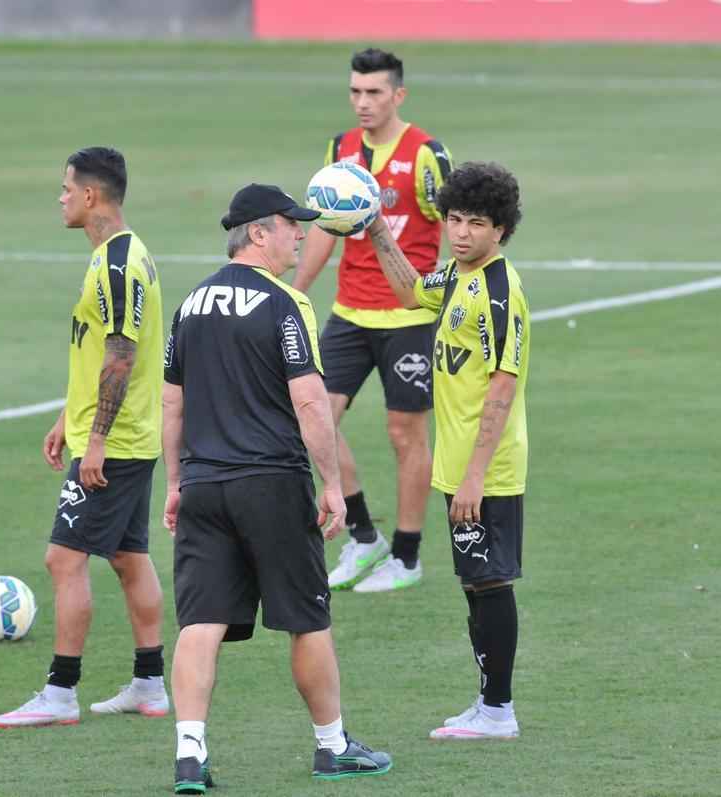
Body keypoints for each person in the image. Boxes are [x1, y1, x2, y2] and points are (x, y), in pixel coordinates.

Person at [162, 183, 393, 793]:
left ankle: (190, 755)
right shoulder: (285, 303)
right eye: (292, 225)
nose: (302, 235)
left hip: (205, 487)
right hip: (270, 481)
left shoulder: (190, 304)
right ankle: (332, 746)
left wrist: (177, 482)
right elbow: (311, 401)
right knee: (306, 620)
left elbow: (171, 402)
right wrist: (334, 484)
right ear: (258, 233)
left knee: (201, 622)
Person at [0, 147, 169, 728]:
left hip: (113, 445)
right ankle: (149, 684)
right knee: (127, 555)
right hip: (126, 436)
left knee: (64, 561)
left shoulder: (116, 264)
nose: (61, 197)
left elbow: (121, 355)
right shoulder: (123, 255)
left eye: (67, 188)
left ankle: (60, 694)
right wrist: (67, 419)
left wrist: (92, 441)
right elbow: (100, 352)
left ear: (92, 196)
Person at [364, 162, 529, 739]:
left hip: (486, 472)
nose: (460, 232)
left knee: (489, 582)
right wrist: (378, 229)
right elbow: (411, 289)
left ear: (501, 230)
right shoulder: (457, 279)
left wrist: (476, 477)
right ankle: (488, 704)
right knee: (475, 584)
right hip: (459, 468)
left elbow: (504, 388)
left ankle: (498, 711)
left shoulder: (499, 294)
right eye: (454, 219)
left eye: (476, 223)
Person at [293, 47, 453, 593]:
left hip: (408, 318)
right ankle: (364, 539)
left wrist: (449, 300)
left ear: (398, 95)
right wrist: (292, 294)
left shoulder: (427, 155)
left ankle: (406, 557)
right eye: (356, 92)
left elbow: (457, 229)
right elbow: (321, 228)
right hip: (349, 313)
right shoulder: (340, 151)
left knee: (404, 433)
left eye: (374, 92)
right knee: (314, 419)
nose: (363, 102)